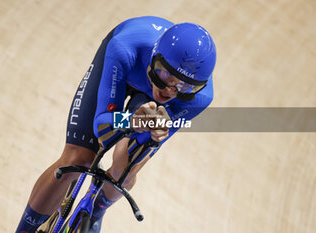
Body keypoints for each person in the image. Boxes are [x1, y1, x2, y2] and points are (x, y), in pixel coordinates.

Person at [15, 16, 216, 233]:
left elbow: (145, 149)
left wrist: (148, 135)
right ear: (154, 57)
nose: (169, 91)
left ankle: (96, 210)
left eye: (184, 87)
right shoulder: (125, 48)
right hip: (124, 71)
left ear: (198, 87)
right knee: (77, 159)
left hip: (150, 101)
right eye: (164, 74)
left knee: (124, 173)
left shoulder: (200, 99)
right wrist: (131, 121)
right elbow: (102, 126)